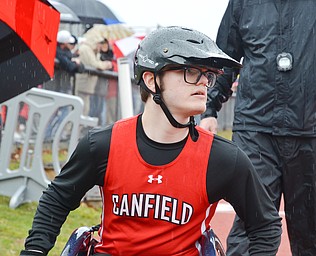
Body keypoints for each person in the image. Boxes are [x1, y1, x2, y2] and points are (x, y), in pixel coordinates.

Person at [20, 26, 281, 256]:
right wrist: (33, 251)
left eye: (207, 75)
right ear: (151, 80)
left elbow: (265, 226)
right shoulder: (101, 145)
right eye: (190, 71)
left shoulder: (223, 159)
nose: (203, 81)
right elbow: (57, 199)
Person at [200, 1, 316, 255]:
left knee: (311, 227)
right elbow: (225, 58)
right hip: (255, 128)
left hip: (311, 130)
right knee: (252, 222)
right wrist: (209, 110)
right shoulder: (244, 3)